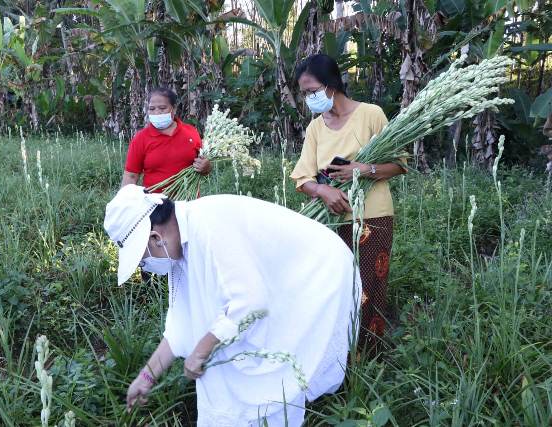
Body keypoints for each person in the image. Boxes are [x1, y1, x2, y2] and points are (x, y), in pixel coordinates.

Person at [103, 185, 361, 426]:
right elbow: (182, 326)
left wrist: (202, 349)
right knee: (227, 351)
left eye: (143, 261)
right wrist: (146, 377)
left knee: (279, 366)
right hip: (277, 278)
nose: (146, 269)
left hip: (317, 273)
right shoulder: (180, 248)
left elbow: (250, 303)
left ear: (155, 238)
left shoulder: (211, 227)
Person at [290, 54, 407, 348]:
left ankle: (368, 358)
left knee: (369, 289)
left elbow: (399, 164)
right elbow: (302, 178)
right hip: (329, 220)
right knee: (335, 289)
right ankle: (336, 355)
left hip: (373, 217)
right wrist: (323, 191)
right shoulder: (316, 128)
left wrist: (363, 169)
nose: (309, 98)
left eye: (312, 91)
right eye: (304, 94)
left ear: (331, 84)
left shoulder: (371, 114)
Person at [121, 87, 212, 190]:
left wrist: (206, 167)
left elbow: (203, 165)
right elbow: (131, 176)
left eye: (162, 108)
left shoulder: (191, 133)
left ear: (174, 109)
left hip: (189, 202)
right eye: (152, 109)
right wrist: (123, 201)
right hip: (155, 203)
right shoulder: (141, 138)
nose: (157, 112)